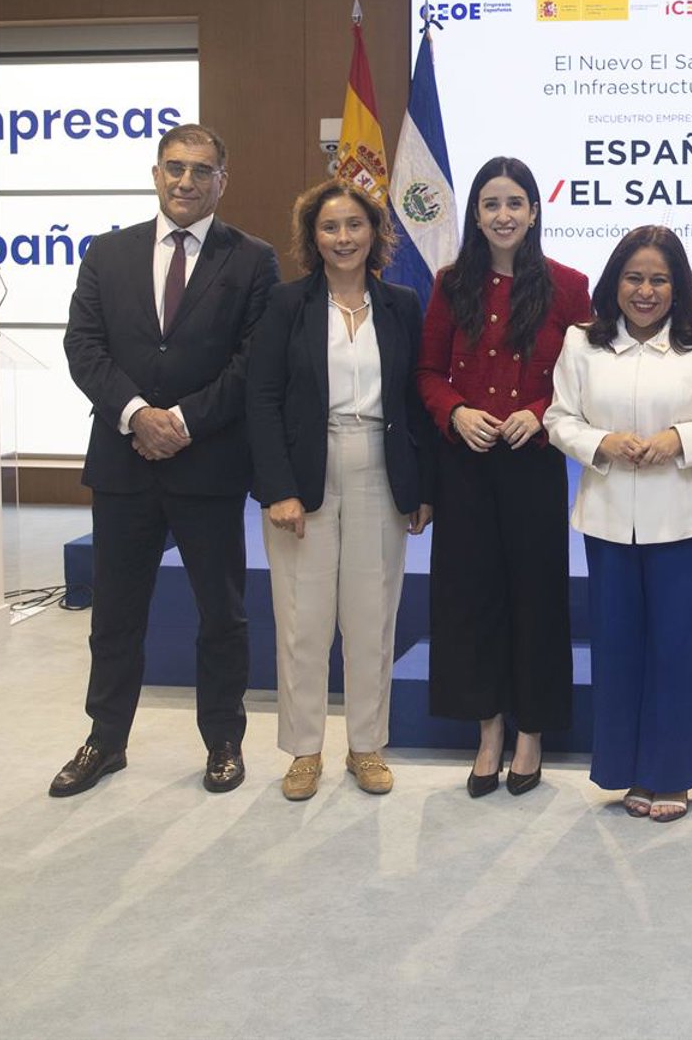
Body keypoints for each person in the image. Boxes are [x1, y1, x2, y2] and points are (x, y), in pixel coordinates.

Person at [51, 123, 279, 797]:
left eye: (201, 170)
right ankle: (105, 740)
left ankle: (224, 742)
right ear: (156, 174)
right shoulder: (108, 252)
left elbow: (254, 361)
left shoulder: (253, 259)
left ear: (222, 181)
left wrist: (181, 421)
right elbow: (83, 345)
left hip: (208, 465)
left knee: (222, 615)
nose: (186, 181)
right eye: (175, 167)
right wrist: (136, 414)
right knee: (115, 615)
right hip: (124, 463)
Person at [546, 227, 692, 823]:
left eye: (659, 279)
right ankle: (627, 770)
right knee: (616, 650)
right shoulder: (582, 341)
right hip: (608, 520)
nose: (645, 291)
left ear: (677, 286)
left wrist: (678, 439)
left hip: (683, 522)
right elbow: (559, 418)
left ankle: (673, 775)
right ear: (615, 282)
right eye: (634, 277)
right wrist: (601, 442)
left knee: (676, 649)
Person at [246, 180, 435, 801]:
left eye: (355, 225)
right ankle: (304, 751)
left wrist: (421, 487)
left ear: (375, 233)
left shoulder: (402, 303)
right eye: (330, 227)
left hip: (381, 467)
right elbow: (262, 399)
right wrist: (277, 489)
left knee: (372, 617)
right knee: (302, 620)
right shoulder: (286, 304)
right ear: (313, 237)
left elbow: (415, 400)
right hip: (305, 473)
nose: (343, 237)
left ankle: (366, 745)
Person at [416, 157, 594, 798]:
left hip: (532, 464)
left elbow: (585, 379)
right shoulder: (450, 283)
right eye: (491, 204)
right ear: (475, 214)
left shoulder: (569, 287)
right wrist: (455, 411)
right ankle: (488, 730)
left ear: (535, 211)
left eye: (515, 202)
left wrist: (540, 413)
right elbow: (427, 372)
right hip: (465, 465)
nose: (503, 215)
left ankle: (531, 734)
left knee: (535, 598)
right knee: (471, 600)